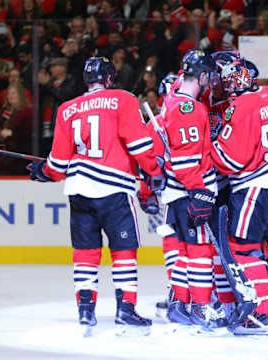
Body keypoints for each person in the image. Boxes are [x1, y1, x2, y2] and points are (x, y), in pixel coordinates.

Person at [27, 57, 163, 336]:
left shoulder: (67, 109)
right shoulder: (123, 100)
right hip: (114, 189)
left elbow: (58, 164)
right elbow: (138, 143)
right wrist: (153, 170)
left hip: (78, 190)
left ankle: (86, 311)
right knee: (123, 252)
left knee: (85, 254)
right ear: (110, 78)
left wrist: (43, 171)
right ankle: (125, 309)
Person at [210, 56, 268, 335]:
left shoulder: (239, 107)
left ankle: (264, 313)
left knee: (242, 247)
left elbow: (233, 160)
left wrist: (209, 147)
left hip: (256, 190)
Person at [159, 49, 226, 330]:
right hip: (190, 192)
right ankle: (200, 307)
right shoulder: (189, 109)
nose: (210, 82)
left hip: (176, 193)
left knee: (183, 251)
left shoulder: (172, 99)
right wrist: (200, 191)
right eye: (208, 77)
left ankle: (179, 304)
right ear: (200, 76)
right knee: (198, 250)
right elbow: (187, 162)